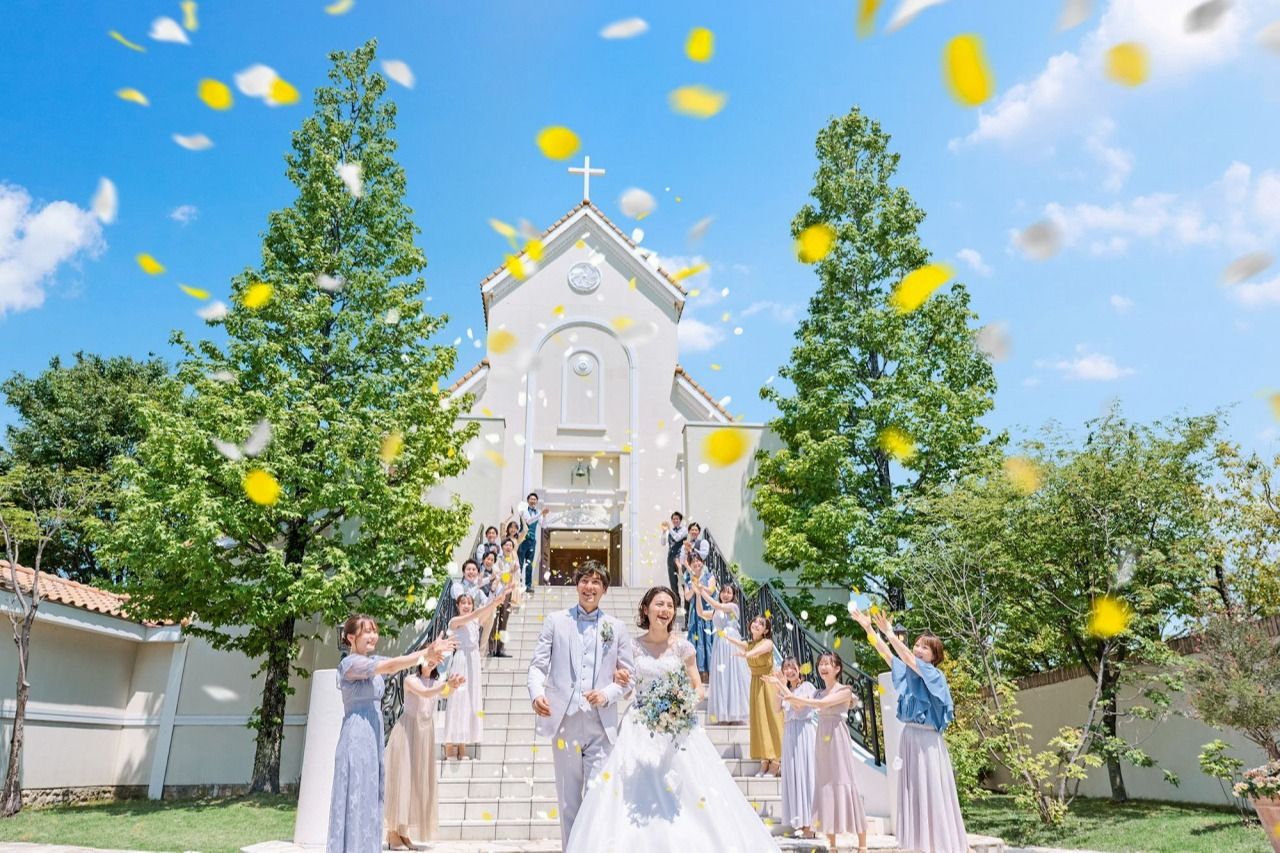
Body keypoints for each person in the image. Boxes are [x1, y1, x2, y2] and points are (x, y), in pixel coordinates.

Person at [565, 586, 781, 852]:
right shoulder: (631, 647)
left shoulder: (683, 647)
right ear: (646, 609)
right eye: (659, 604)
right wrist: (619, 681)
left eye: (669, 605)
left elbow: (698, 687)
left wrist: (682, 705)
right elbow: (629, 690)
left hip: (677, 725)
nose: (665, 610)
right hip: (638, 724)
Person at [526, 563, 635, 844]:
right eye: (585, 581)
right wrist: (536, 693)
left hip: (601, 725)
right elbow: (538, 665)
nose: (590, 587)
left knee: (599, 798)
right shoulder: (555, 621)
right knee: (568, 800)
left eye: (596, 582)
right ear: (577, 585)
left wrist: (607, 694)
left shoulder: (616, 627)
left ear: (604, 590)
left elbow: (629, 678)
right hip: (565, 721)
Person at [327, 616, 455, 853]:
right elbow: (391, 666)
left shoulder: (374, 661)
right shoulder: (349, 664)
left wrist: (428, 654)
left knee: (370, 796)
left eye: (374, 631)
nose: (373, 636)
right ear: (351, 637)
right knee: (355, 794)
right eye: (366, 632)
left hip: (373, 735)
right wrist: (425, 652)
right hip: (356, 734)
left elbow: (398, 663)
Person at [852, 605, 968, 853]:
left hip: (927, 741)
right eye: (917, 645)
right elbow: (887, 654)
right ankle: (920, 846)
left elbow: (906, 658)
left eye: (925, 647)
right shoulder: (909, 673)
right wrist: (869, 629)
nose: (918, 649)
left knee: (932, 791)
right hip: (910, 737)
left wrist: (890, 633)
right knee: (915, 792)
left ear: (934, 656)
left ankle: (943, 846)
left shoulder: (934, 675)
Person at [769, 653, 868, 853]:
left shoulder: (845, 690)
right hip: (822, 738)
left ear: (837, 668)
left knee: (846, 782)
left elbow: (822, 705)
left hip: (837, 736)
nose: (823, 667)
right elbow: (799, 705)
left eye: (827, 664)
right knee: (825, 785)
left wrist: (786, 691)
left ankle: (862, 844)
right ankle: (832, 844)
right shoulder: (818, 693)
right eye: (820, 664)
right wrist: (780, 685)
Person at [383, 666, 465, 849]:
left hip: (424, 735)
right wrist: (445, 684)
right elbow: (426, 693)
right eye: (428, 659)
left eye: (434, 660)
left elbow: (445, 693)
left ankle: (403, 832)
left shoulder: (436, 683)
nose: (430, 663)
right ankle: (392, 832)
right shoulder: (410, 680)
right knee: (402, 780)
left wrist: (454, 685)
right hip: (407, 732)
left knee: (415, 783)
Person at [442, 587, 511, 760]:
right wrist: (489, 604)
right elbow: (476, 614)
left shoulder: (475, 621)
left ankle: (463, 744)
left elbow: (485, 613)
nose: (466, 606)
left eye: (469, 603)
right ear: (458, 605)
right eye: (463, 603)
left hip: (473, 662)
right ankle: (450, 743)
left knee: (469, 702)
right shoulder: (455, 621)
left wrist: (496, 601)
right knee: (457, 700)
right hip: (461, 661)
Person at [724, 614, 783, 776]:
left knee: (773, 721)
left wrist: (747, 654)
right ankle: (764, 762)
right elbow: (739, 643)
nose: (756, 624)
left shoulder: (767, 643)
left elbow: (756, 651)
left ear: (766, 630)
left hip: (769, 684)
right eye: (755, 622)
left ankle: (775, 763)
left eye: (761, 624)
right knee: (759, 722)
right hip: (756, 684)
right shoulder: (749, 644)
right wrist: (725, 635)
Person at [695, 576, 749, 724]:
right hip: (720, 643)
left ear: (733, 596)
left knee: (733, 675)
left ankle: (736, 713)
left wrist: (702, 590)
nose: (725, 595)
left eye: (729, 592)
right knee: (722, 677)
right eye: (723, 592)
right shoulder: (716, 610)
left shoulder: (733, 607)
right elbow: (700, 613)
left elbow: (715, 604)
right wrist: (698, 595)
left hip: (731, 641)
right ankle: (724, 714)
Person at [774, 657, 817, 838]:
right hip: (790, 732)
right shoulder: (786, 689)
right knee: (794, 775)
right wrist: (779, 688)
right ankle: (800, 821)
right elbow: (777, 709)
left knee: (806, 774)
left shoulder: (807, 687)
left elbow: (799, 706)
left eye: (792, 667)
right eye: (786, 668)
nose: (789, 671)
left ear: (800, 669)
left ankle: (811, 825)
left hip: (804, 731)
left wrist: (782, 686)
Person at [681, 553, 715, 682]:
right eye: (693, 562)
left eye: (698, 561)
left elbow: (711, 591)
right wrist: (693, 589)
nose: (696, 563)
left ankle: (711, 672)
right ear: (690, 565)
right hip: (695, 613)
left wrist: (701, 587)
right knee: (697, 640)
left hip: (707, 611)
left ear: (702, 562)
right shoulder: (688, 579)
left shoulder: (709, 576)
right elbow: (687, 597)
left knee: (708, 640)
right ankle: (698, 672)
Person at [517, 492, 549, 595]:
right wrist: (540, 514)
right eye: (531, 499)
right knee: (520, 562)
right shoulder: (524, 510)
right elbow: (529, 521)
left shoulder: (538, 512)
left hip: (532, 541)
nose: (533, 501)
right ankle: (517, 584)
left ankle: (528, 585)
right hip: (523, 540)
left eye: (535, 499)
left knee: (529, 564)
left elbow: (544, 526)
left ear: (537, 501)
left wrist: (544, 516)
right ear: (528, 500)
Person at [659, 511, 687, 602]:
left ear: (680, 520)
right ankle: (676, 601)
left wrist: (669, 529)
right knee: (673, 581)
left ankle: (687, 601)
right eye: (674, 519)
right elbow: (663, 543)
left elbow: (677, 538)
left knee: (683, 580)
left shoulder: (684, 530)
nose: (675, 520)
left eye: (677, 519)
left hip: (680, 558)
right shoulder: (670, 531)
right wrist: (664, 532)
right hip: (671, 557)